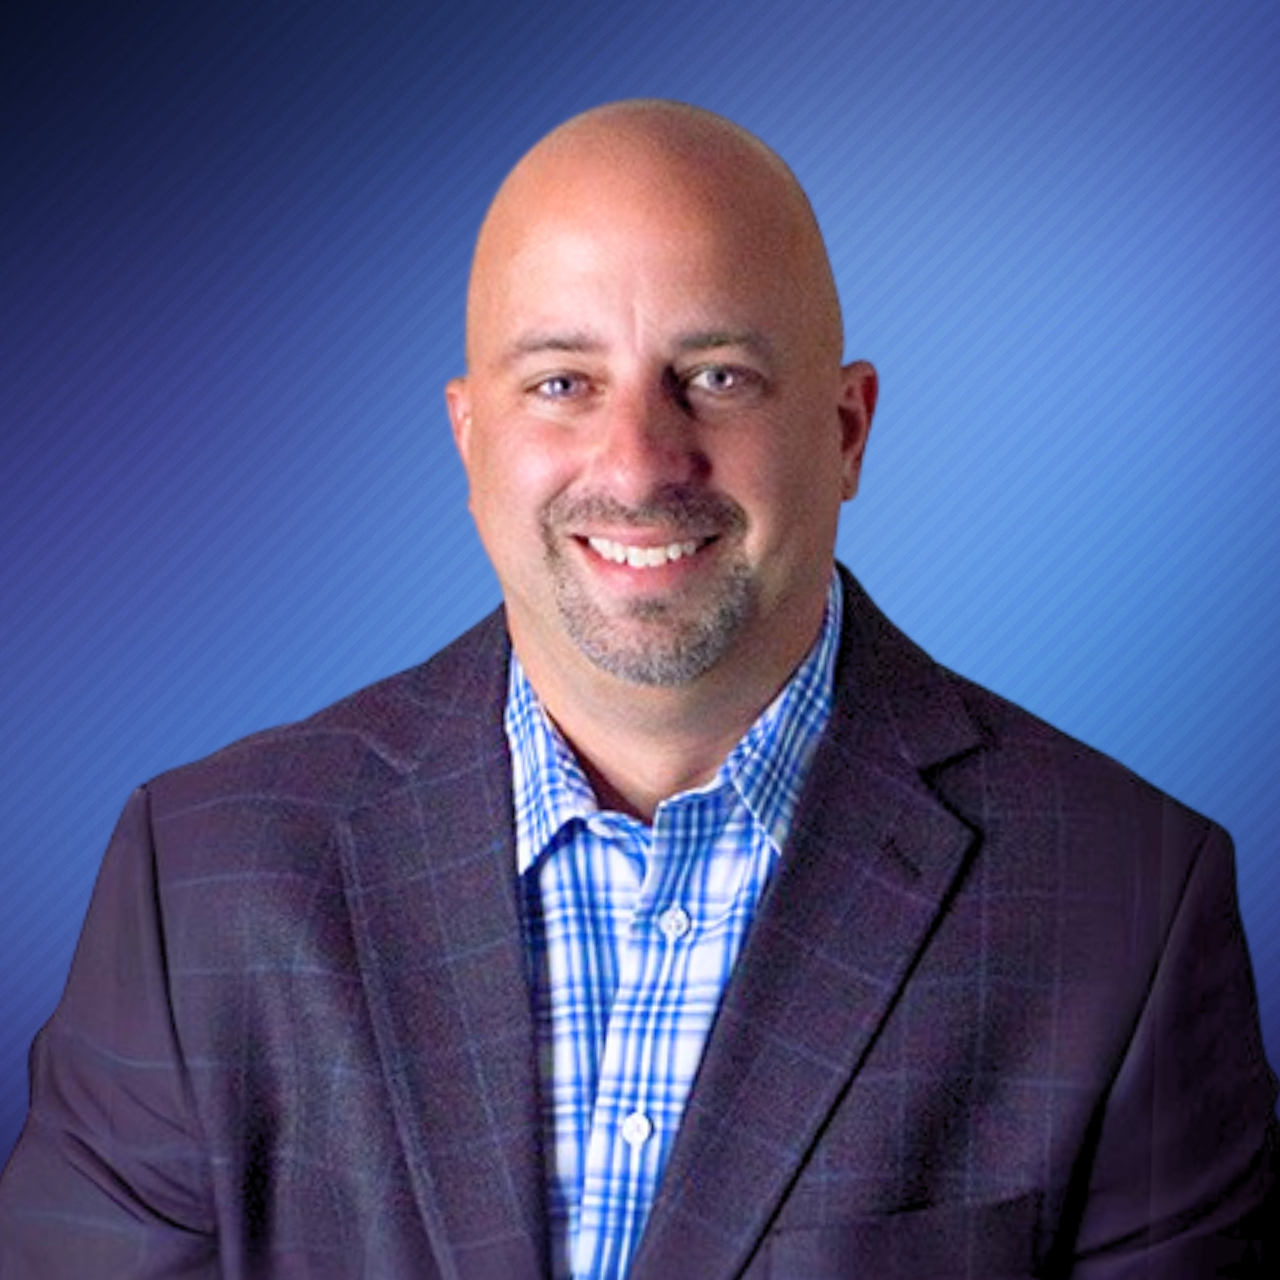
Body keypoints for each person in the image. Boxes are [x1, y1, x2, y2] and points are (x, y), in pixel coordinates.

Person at [0, 100, 1274, 1279]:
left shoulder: (1126, 908)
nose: (638, 461)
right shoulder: (199, 878)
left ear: (844, 430)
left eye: (714, 375)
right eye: (561, 382)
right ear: (469, 438)